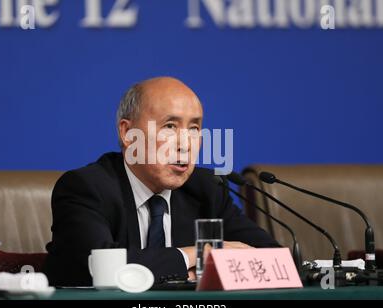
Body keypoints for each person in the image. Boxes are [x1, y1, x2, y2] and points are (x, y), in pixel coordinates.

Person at [43, 77, 279, 286]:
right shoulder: (86, 188)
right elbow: (99, 265)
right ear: (127, 133)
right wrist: (196, 256)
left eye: (194, 128)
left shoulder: (207, 189)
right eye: (169, 126)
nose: (185, 144)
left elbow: (274, 258)